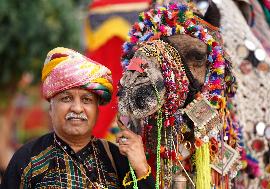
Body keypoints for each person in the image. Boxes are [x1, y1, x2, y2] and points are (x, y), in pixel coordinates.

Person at [0, 47, 154, 188]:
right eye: (66, 98)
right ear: (51, 108)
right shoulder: (27, 160)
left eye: (86, 100)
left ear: (97, 110)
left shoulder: (116, 159)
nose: (77, 108)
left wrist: (141, 167)